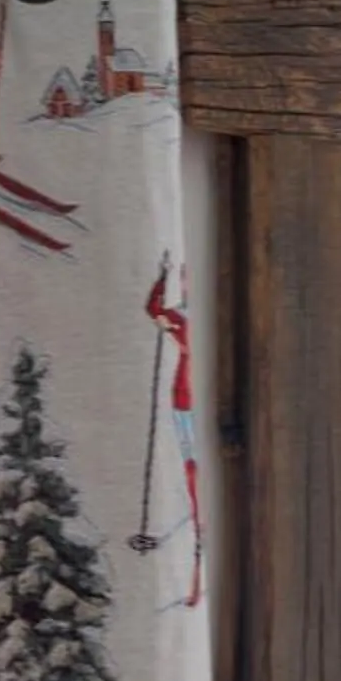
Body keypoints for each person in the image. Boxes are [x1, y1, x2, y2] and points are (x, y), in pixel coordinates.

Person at [146, 259, 202, 608]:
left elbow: (153, 309)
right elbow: (153, 310)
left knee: (198, 471)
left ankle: (201, 529)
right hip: (185, 402)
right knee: (192, 471)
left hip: (194, 401)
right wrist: (162, 277)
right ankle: (199, 529)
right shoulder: (182, 319)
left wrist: (162, 279)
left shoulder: (187, 320)